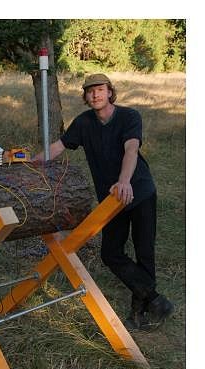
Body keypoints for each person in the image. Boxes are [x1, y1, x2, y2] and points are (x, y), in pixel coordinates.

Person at [34, 73, 173, 330]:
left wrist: (124, 181)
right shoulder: (84, 123)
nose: (95, 94)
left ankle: (138, 313)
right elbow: (58, 147)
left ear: (110, 92)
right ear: (86, 97)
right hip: (111, 199)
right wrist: (32, 164)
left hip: (138, 190)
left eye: (100, 89)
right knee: (110, 253)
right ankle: (154, 299)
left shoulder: (130, 117)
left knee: (145, 252)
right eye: (90, 91)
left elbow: (131, 149)